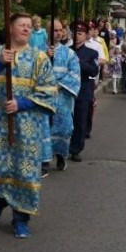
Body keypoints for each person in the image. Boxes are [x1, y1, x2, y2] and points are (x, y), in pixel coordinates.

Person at [0, 13, 57, 239]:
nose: (27, 29)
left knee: (25, 170)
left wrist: (22, 103)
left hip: (27, 125)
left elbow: (49, 92)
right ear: (10, 28)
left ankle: (21, 218)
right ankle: (0, 200)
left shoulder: (40, 58)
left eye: (30, 26)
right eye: (22, 25)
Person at [48, 19, 80, 172]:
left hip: (62, 96)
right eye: (55, 30)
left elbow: (75, 74)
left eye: (60, 30)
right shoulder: (37, 50)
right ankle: (44, 160)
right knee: (44, 128)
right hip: (43, 95)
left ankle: (61, 155)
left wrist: (59, 86)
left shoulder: (70, 53)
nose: (59, 33)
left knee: (64, 127)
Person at [68, 21, 101, 162]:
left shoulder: (91, 52)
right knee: (65, 119)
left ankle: (76, 149)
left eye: (80, 33)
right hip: (66, 89)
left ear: (86, 35)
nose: (77, 36)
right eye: (75, 33)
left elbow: (94, 70)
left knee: (80, 120)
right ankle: (61, 147)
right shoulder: (66, 50)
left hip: (82, 88)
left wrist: (79, 63)